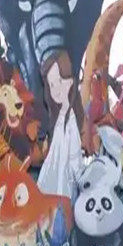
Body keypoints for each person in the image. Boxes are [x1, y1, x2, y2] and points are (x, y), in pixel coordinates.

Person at [37, 51, 83, 199]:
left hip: (63, 187)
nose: (56, 89)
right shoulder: (58, 117)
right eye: (52, 85)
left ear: (70, 81)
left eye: (59, 81)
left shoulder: (71, 120)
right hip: (49, 183)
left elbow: (75, 157)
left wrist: (83, 181)